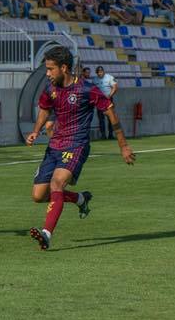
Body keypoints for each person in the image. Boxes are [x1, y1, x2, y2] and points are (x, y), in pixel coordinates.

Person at [25, 47, 135, 250]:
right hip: (54, 146)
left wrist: (124, 146)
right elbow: (44, 109)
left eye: (50, 69)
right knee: (38, 195)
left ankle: (46, 234)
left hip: (76, 145)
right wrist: (36, 130)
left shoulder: (87, 89)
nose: (47, 74)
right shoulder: (50, 89)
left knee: (57, 183)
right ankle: (80, 198)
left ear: (64, 68)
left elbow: (112, 116)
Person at [93, 66, 117, 139]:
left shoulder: (109, 77)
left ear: (103, 71)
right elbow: (93, 90)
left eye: (101, 71)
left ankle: (111, 134)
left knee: (110, 118)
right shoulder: (94, 80)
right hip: (99, 101)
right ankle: (103, 135)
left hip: (108, 100)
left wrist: (109, 96)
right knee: (101, 119)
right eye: (99, 72)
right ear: (96, 73)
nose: (100, 73)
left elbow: (115, 87)